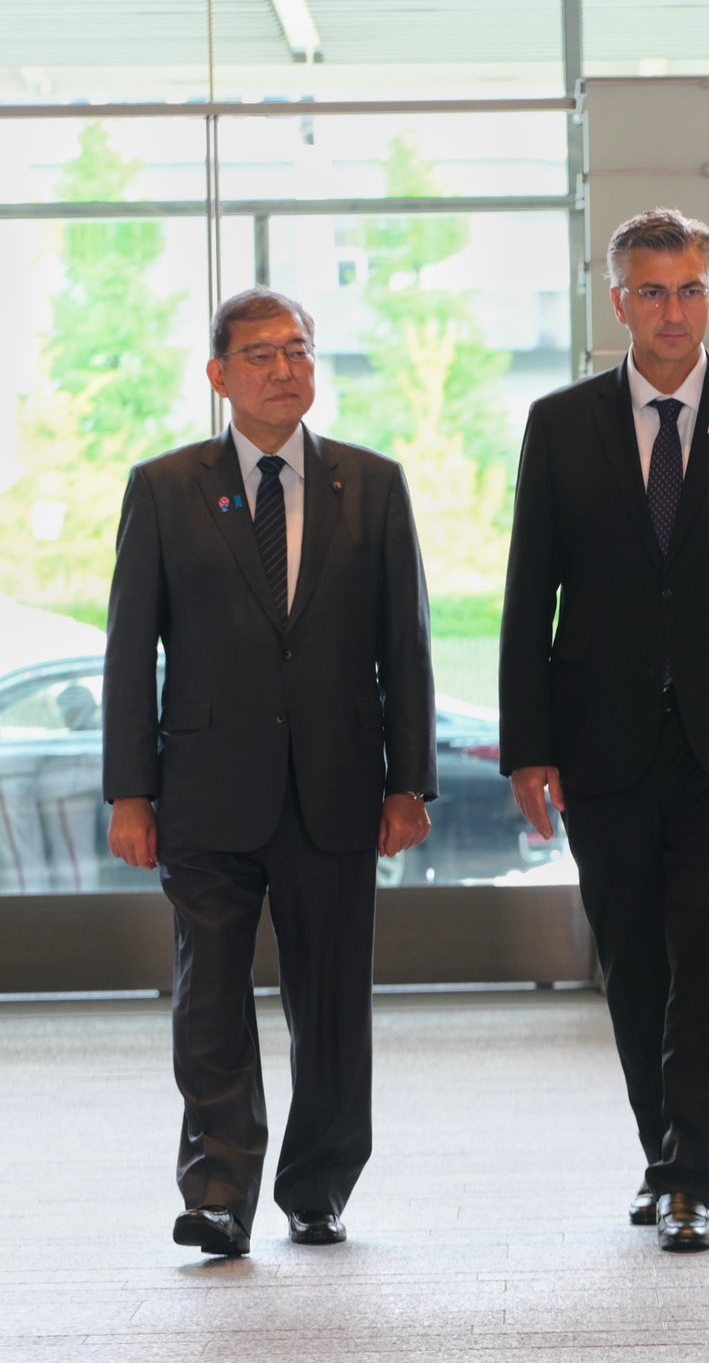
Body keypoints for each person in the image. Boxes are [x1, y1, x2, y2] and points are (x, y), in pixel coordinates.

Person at [498, 209, 709, 1254]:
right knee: (634, 959)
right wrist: (527, 746)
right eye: (651, 291)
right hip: (598, 742)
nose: (672, 310)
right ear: (617, 302)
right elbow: (526, 596)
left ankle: (691, 1172)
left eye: (689, 290)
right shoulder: (560, 424)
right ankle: (661, 1149)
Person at [102, 287, 436, 1257]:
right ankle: (216, 1191)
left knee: (330, 1003)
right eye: (260, 355)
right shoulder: (164, 488)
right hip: (205, 788)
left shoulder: (371, 485)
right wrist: (131, 789)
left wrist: (407, 779)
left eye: (298, 349)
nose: (285, 368)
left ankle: (318, 1185)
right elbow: (132, 651)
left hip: (336, 787)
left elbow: (404, 646)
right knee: (208, 998)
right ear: (217, 376)